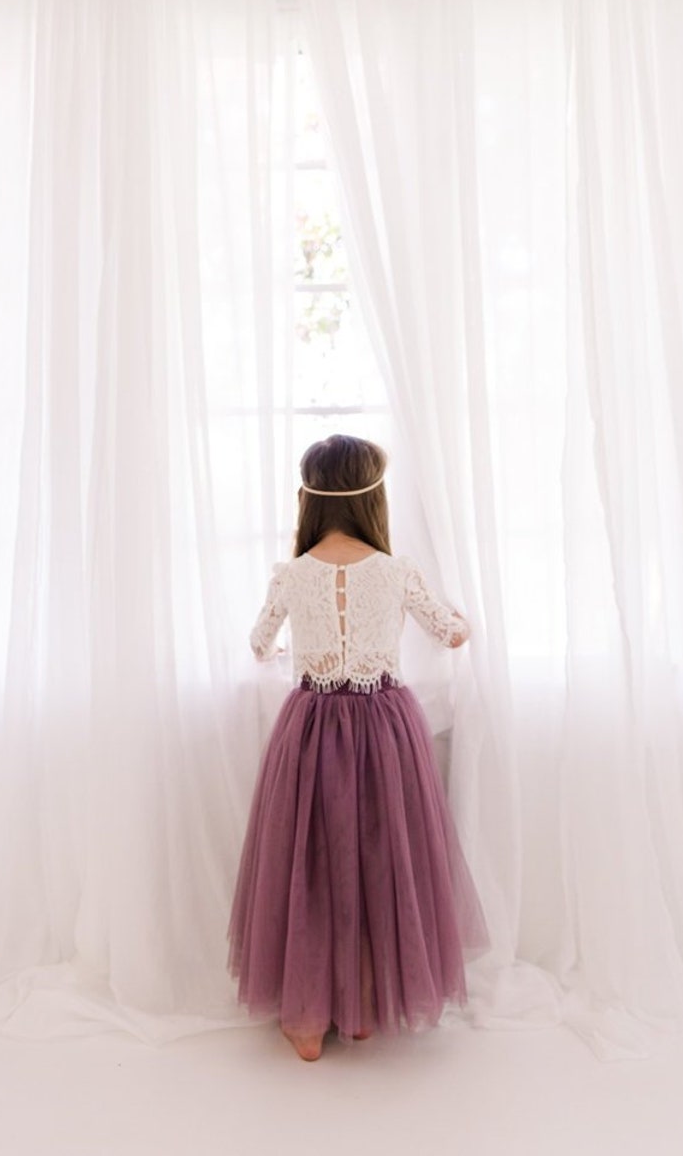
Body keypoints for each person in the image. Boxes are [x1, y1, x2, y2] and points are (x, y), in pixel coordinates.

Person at [227, 434, 490, 1060]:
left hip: (313, 722)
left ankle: (308, 1017)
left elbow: (260, 644)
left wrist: (306, 646)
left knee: (311, 860)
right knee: (381, 853)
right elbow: (451, 633)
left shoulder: (292, 574)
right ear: (374, 495)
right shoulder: (396, 571)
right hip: (383, 727)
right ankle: (363, 1004)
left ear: (308, 499)